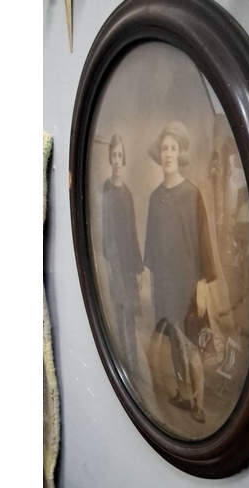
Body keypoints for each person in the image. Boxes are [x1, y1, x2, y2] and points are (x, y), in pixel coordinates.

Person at [144, 121, 217, 423]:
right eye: (164, 148)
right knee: (174, 344)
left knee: (192, 350)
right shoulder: (155, 198)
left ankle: (197, 403)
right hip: (165, 285)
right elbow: (152, 247)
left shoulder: (192, 194)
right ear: (159, 156)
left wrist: (201, 286)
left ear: (179, 153)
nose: (169, 154)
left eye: (173, 148)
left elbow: (202, 243)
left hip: (188, 287)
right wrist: (151, 282)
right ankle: (182, 394)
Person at [102, 133, 144, 378]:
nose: (117, 160)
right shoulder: (106, 191)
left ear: (124, 159)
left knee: (130, 318)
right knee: (119, 315)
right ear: (109, 158)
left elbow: (132, 234)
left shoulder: (126, 194)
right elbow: (107, 235)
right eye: (114, 155)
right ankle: (124, 369)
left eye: (120, 156)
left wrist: (138, 269)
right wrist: (111, 266)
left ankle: (134, 369)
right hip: (115, 266)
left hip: (128, 267)